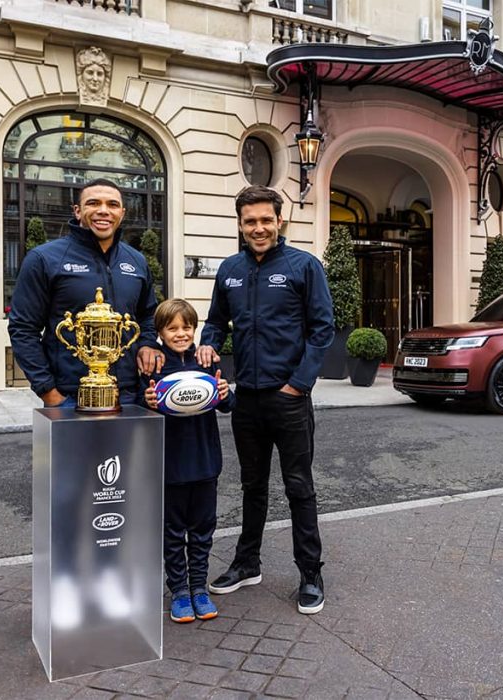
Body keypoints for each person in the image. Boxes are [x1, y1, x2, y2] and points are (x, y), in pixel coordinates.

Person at [9, 177, 163, 629]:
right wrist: (50, 393)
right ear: (77, 211)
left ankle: (112, 582)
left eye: (112, 204)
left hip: (128, 401)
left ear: (122, 212)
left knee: (121, 499)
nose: (103, 210)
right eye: (93, 203)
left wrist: (149, 343)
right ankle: (68, 590)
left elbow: (149, 314)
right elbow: (23, 329)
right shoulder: (45, 259)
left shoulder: (135, 262)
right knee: (72, 501)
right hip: (71, 405)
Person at [196, 185, 334, 615]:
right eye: (250, 221)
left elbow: (323, 328)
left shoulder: (304, 266)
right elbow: (217, 321)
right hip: (246, 400)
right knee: (252, 486)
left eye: (266, 220)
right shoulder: (230, 270)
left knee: (299, 488)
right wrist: (207, 343)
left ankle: (310, 573)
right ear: (240, 224)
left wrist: (299, 384)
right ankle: (247, 563)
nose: (258, 227)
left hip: (288, 400)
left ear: (280, 222)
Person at [142, 299, 233, 623]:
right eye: (172, 328)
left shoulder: (205, 359)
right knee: (172, 532)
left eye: (186, 327)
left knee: (202, 530)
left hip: (205, 462)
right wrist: (149, 402)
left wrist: (223, 391)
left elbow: (227, 404)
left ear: (195, 328)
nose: (181, 334)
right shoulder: (152, 364)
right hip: (169, 465)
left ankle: (199, 588)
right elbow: (142, 407)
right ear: (160, 332)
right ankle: (179, 591)